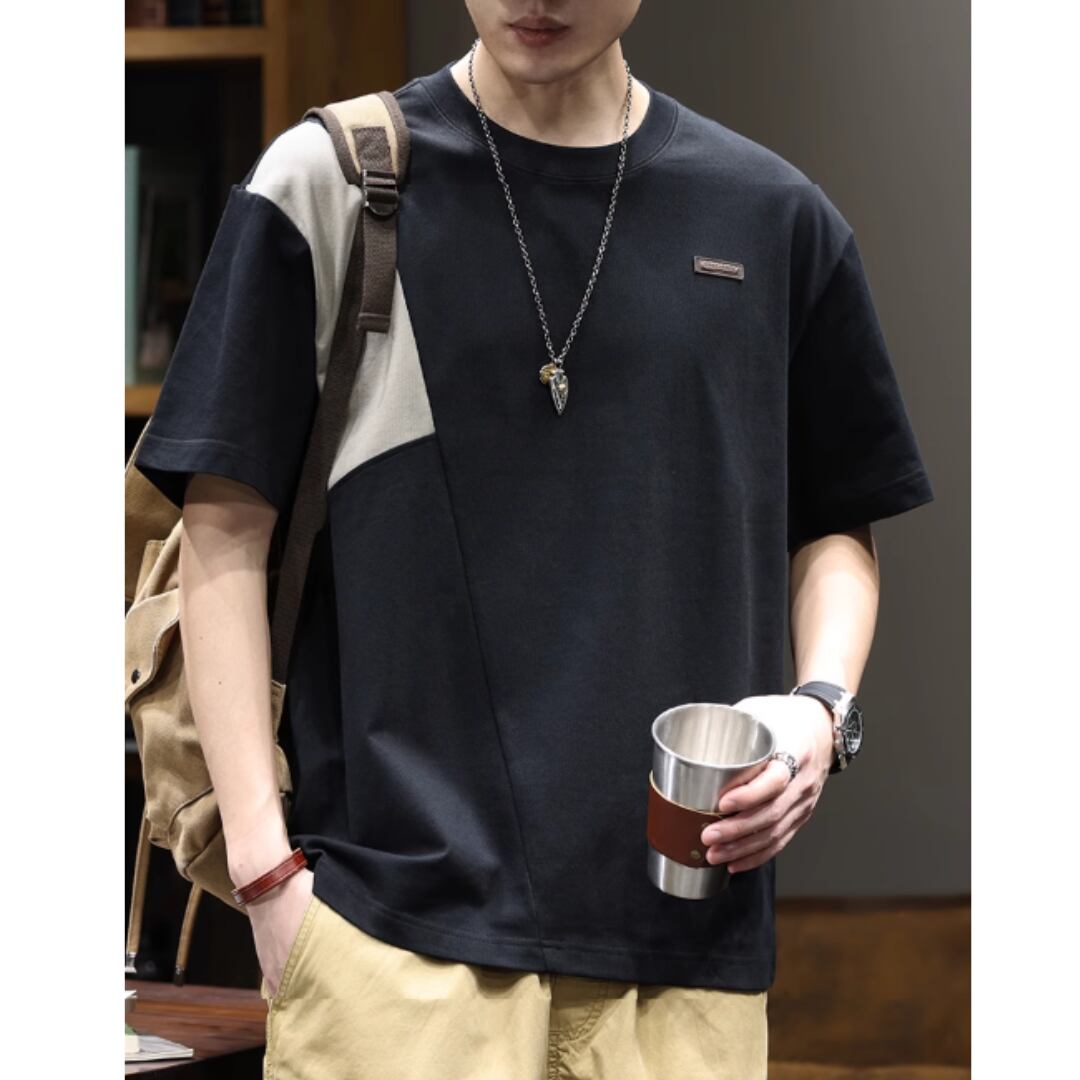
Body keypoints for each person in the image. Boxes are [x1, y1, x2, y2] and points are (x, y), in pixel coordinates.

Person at [133, 2, 935, 1076]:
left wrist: (821, 707)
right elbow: (223, 526)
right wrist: (267, 877)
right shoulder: (331, 184)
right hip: (387, 951)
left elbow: (836, 518)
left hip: (683, 959)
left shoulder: (773, 218)